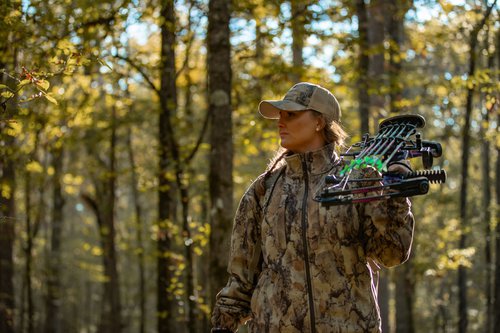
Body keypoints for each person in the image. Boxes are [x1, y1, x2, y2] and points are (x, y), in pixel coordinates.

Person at [211, 82, 415, 333]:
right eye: (280, 115)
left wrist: (397, 191)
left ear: (319, 122)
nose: (280, 122)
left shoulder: (358, 180)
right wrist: (223, 326)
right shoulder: (263, 189)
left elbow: (392, 253)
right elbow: (241, 279)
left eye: (292, 114)